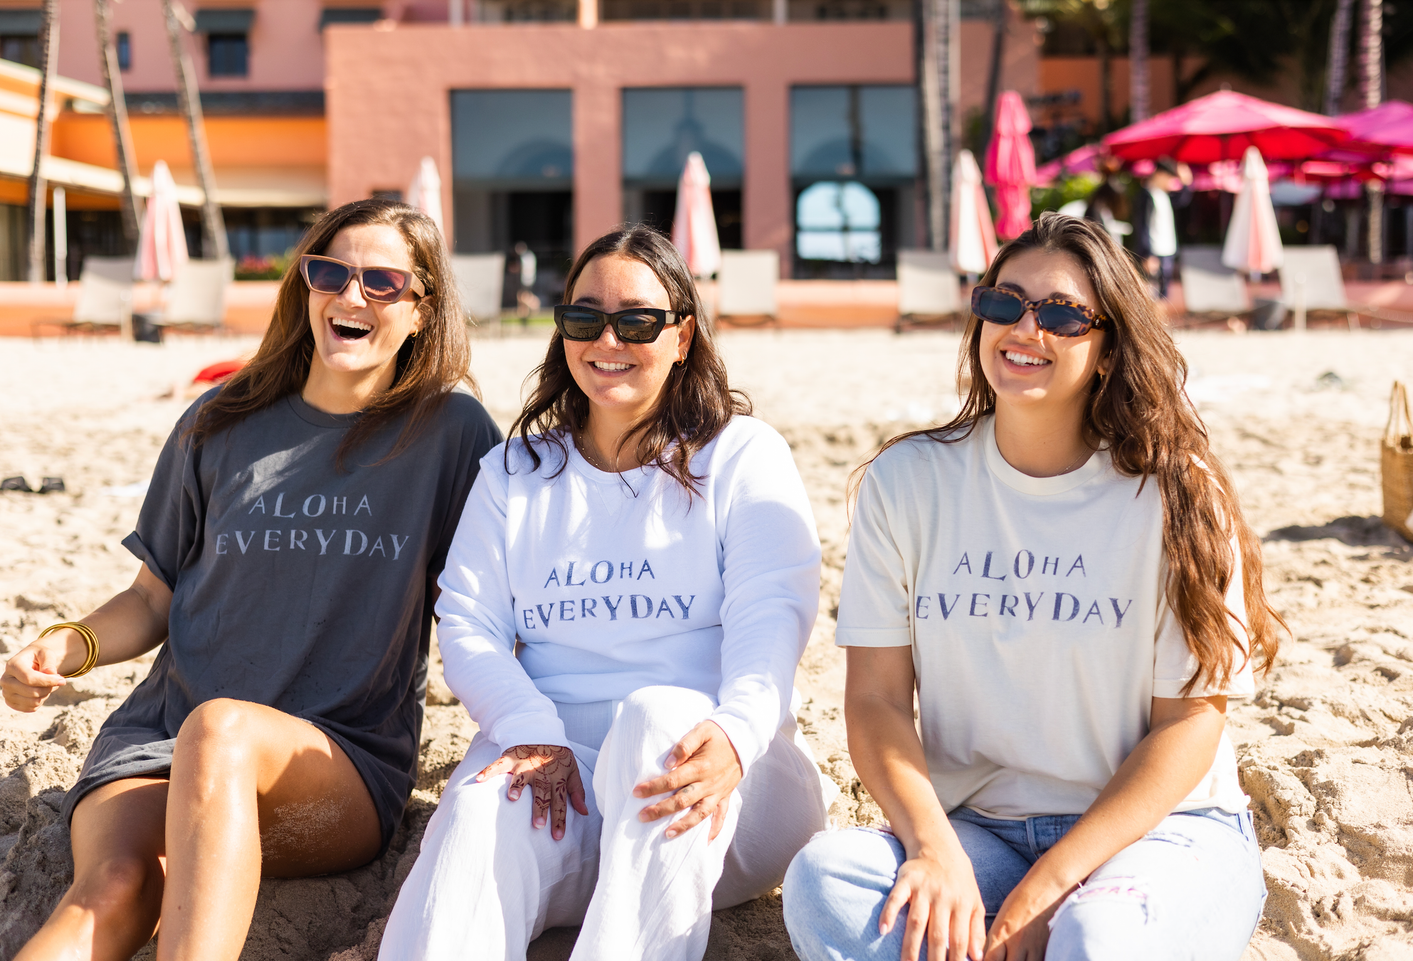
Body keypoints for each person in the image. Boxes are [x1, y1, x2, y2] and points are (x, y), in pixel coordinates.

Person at [0, 198, 501, 961]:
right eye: (328, 271)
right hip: (160, 736)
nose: (350, 294)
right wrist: (68, 645)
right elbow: (148, 596)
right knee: (114, 888)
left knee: (224, 729)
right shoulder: (219, 420)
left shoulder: (450, 435)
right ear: (304, 286)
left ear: (423, 309)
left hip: (334, 761)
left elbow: (487, 603)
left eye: (382, 281)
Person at [782, 212, 1283, 961]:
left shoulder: (1176, 494)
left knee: (1091, 936)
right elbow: (877, 700)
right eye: (1002, 303)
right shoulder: (909, 481)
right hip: (978, 831)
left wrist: (1052, 885)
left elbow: (1187, 724)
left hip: (1156, 834)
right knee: (825, 881)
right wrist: (932, 848)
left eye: (1059, 314)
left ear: (1109, 346)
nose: (1024, 328)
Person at [378, 224, 830, 961]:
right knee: (480, 808)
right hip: (563, 768)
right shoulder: (512, 472)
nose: (606, 338)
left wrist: (738, 732)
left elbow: (771, 618)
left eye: (637, 320)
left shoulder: (741, 454)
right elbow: (466, 622)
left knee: (658, 720)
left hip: (725, 778)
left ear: (681, 336)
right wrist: (530, 726)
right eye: (584, 318)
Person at [1130, 156, 1194, 300]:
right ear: (1159, 174)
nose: (1171, 182)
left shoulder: (1164, 194)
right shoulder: (1146, 195)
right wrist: (1146, 254)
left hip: (1167, 249)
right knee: (1151, 292)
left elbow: (1182, 201)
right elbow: (1142, 225)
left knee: (1164, 293)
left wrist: (1187, 183)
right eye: (1169, 177)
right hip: (1154, 250)